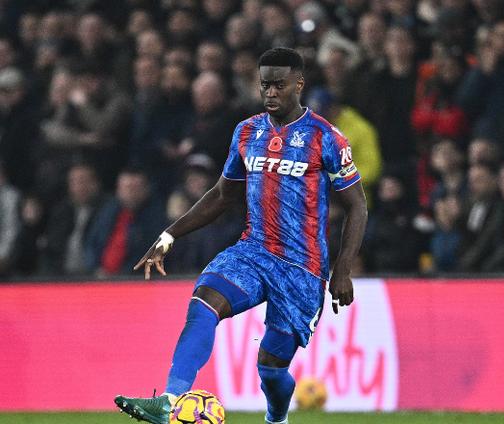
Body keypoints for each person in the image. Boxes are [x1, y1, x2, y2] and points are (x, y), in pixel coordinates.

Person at [114, 47, 368, 424]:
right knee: (203, 302)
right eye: (265, 85)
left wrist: (342, 268)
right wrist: (169, 234)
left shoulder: (326, 137)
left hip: (302, 269)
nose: (270, 93)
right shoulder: (247, 131)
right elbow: (222, 195)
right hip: (253, 251)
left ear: (299, 84)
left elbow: (357, 206)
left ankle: (277, 418)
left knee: (271, 368)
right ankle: (170, 400)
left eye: (279, 85)